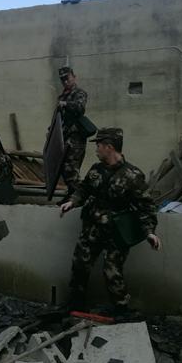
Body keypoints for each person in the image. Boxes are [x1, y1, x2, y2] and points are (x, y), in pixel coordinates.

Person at [60, 127, 160, 313]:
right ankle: (75, 304)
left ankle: (122, 309)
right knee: (80, 264)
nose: (96, 149)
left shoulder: (133, 175)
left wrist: (150, 232)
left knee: (111, 271)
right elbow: (83, 189)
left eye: (98, 145)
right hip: (92, 228)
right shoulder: (95, 170)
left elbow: (145, 206)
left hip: (116, 232)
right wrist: (72, 202)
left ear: (109, 147)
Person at [56, 66, 88, 197]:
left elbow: (80, 108)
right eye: (62, 80)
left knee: (71, 169)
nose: (65, 82)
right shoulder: (62, 96)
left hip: (76, 138)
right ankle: (71, 196)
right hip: (64, 138)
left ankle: (79, 197)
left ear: (74, 77)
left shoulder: (79, 93)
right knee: (64, 169)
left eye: (67, 78)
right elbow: (58, 119)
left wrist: (65, 104)